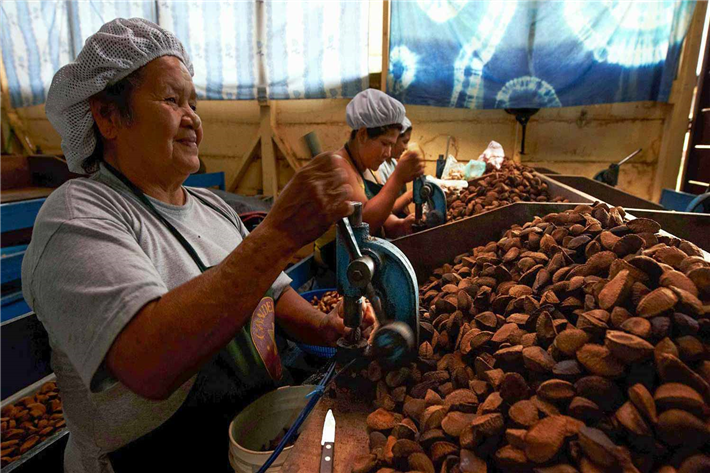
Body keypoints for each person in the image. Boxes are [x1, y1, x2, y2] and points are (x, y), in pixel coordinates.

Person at [22, 18, 373, 473]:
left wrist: (326, 326)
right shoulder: (78, 216)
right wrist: (278, 235)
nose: (193, 119)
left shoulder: (212, 206)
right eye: (171, 100)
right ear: (108, 116)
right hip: (155, 458)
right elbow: (149, 363)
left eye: (194, 103)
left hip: (253, 437)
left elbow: (273, 295)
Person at [314, 90, 425, 269]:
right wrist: (398, 178)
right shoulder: (337, 165)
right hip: (333, 272)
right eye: (384, 143)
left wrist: (401, 225)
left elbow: (382, 217)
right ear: (363, 134)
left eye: (392, 144)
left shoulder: (364, 168)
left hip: (357, 263)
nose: (388, 153)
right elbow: (364, 224)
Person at [377, 116, 414, 217]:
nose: (406, 148)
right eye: (404, 142)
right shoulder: (379, 167)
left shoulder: (393, 163)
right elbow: (384, 210)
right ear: (394, 138)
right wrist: (410, 195)